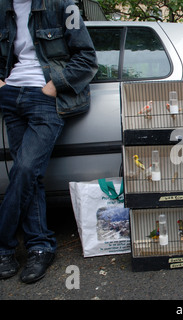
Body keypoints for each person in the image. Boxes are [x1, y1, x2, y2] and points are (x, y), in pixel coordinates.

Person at [0, 0, 98, 283]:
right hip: (11, 97)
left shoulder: (64, 6)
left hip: (44, 98)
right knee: (31, 176)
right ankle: (40, 247)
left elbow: (86, 57)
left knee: (25, 170)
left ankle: (4, 245)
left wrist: (54, 86)